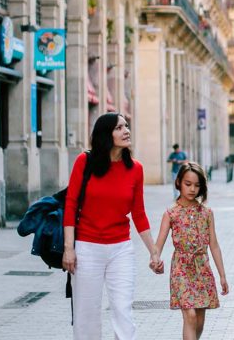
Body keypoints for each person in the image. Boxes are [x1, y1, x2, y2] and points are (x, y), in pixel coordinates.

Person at [62, 113, 164, 339]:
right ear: (105, 134)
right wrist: (69, 248)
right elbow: (70, 204)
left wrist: (153, 251)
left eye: (126, 126)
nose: (126, 130)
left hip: (121, 249)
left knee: (123, 311)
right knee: (86, 314)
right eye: (119, 127)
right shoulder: (84, 162)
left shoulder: (135, 168)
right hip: (87, 247)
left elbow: (138, 213)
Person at [151, 161, 229, 340]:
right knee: (190, 316)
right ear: (178, 182)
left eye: (197, 185)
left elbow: (214, 245)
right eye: (188, 184)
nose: (192, 189)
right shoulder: (171, 214)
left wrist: (222, 275)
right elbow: (159, 243)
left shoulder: (207, 213)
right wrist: (154, 259)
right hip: (181, 269)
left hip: (202, 268)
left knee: (199, 320)